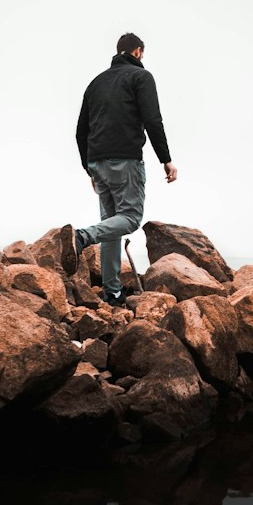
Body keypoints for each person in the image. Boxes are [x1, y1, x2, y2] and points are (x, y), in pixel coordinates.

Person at [72, 32, 178, 306]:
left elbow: (80, 131)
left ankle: (112, 293)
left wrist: (89, 168)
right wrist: (165, 159)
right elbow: (153, 120)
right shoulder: (141, 77)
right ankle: (81, 237)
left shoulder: (95, 83)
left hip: (97, 161)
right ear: (138, 52)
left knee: (112, 226)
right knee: (130, 218)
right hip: (125, 160)